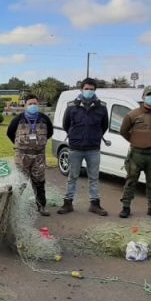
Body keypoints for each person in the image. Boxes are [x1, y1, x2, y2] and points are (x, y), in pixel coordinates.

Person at [58, 77, 112, 216]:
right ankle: (68, 203)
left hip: (93, 149)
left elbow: (104, 126)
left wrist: (95, 135)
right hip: (75, 148)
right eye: (86, 88)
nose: (89, 91)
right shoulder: (71, 106)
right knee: (72, 176)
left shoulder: (102, 107)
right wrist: (74, 135)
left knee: (93, 178)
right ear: (81, 89)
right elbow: (66, 125)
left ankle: (95, 204)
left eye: (91, 89)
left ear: (95, 90)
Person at [119, 85, 151, 220]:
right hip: (137, 154)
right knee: (131, 181)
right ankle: (125, 207)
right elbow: (123, 131)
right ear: (143, 97)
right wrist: (135, 140)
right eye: (149, 95)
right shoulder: (133, 114)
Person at [6, 94, 54, 215]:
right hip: (22, 156)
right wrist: (20, 145)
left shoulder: (44, 119)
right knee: (20, 182)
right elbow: (10, 133)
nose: (33, 106)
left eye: (35, 103)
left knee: (39, 182)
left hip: (39, 157)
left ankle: (41, 206)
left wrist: (38, 144)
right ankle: (13, 207)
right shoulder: (18, 119)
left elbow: (50, 133)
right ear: (25, 105)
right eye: (30, 104)